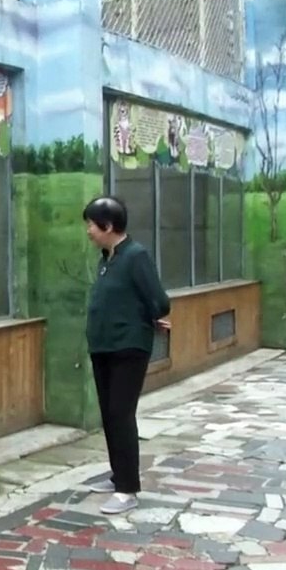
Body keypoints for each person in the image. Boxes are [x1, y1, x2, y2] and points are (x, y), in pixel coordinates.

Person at [82, 196, 171, 515]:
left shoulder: (136, 256)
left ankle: (128, 489)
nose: (88, 231)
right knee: (108, 414)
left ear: (107, 226)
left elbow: (159, 301)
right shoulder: (107, 258)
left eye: (91, 225)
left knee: (121, 413)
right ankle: (118, 474)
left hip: (128, 347)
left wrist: (150, 316)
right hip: (103, 346)